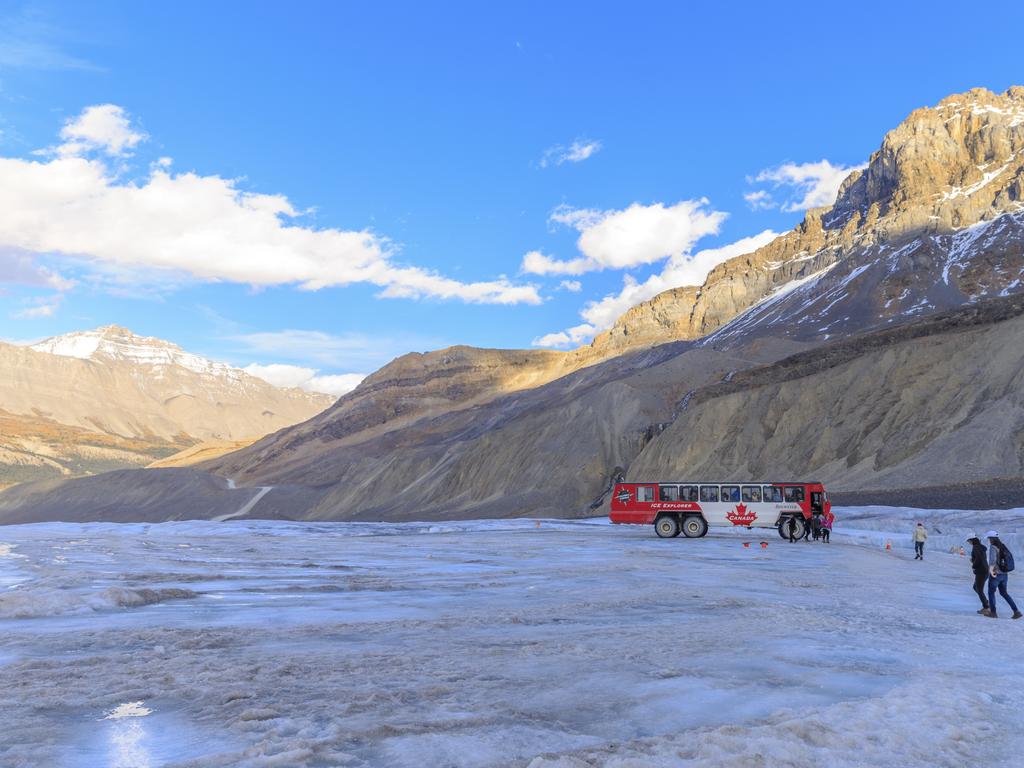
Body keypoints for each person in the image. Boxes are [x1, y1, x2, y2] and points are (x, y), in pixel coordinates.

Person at [983, 531, 1022, 620]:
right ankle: (1016, 611)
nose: (989, 540)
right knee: (1004, 593)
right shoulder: (1002, 546)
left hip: (996, 574)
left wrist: (990, 571)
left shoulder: (993, 547)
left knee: (991, 592)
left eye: (989, 538)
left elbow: (992, 561)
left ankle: (993, 613)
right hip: (1005, 574)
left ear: (992, 538)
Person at [966, 535, 990, 614]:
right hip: (985, 570)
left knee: (979, 589)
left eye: (968, 541)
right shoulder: (980, 547)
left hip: (981, 571)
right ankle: (986, 602)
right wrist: (973, 559)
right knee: (975, 587)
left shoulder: (976, 547)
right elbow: (979, 558)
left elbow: (979, 558)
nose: (968, 543)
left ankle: (986, 608)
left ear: (972, 540)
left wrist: (974, 565)